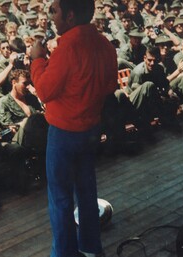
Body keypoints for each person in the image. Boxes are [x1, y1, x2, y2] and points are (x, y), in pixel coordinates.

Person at [30, 1, 117, 257]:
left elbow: (44, 91)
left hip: (64, 135)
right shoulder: (104, 44)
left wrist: (37, 60)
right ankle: (90, 247)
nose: (52, 17)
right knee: (87, 192)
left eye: (54, 12)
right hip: (91, 130)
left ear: (69, 15)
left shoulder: (67, 48)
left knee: (61, 199)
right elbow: (110, 85)